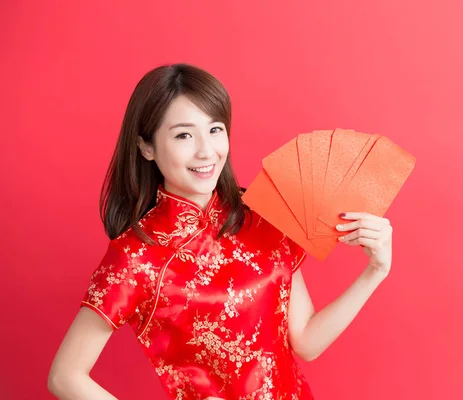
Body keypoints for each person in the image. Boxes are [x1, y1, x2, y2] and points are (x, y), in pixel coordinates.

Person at [48, 63, 394, 400]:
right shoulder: (137, 255)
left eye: (215, 129)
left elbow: (306, 341)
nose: (206, 150)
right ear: (146, 147)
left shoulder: (263, 215)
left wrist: (374, 272)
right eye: (184, 134)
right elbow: (65, 377)